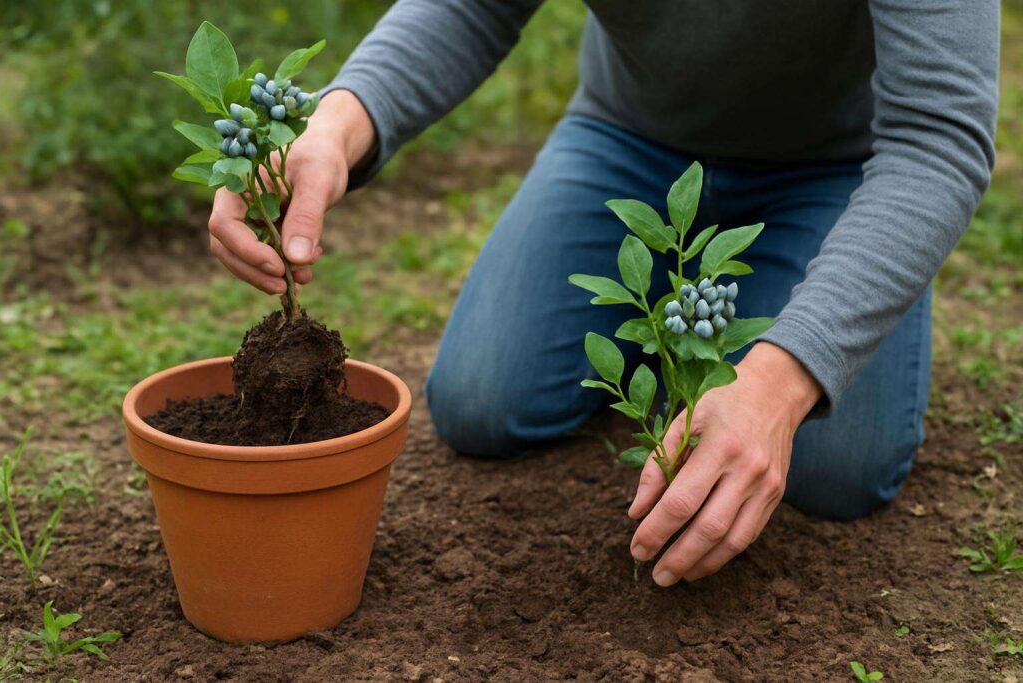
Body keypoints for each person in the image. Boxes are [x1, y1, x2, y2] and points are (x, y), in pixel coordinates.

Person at [206, 1, 999, 586]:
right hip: (633, 141)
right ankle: (700, 313)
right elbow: (469, 7)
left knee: (834, 468)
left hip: (841, 168)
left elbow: (937, 137)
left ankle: (781, 299)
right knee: (484, 400)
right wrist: (335, 127)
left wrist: (782, 380)